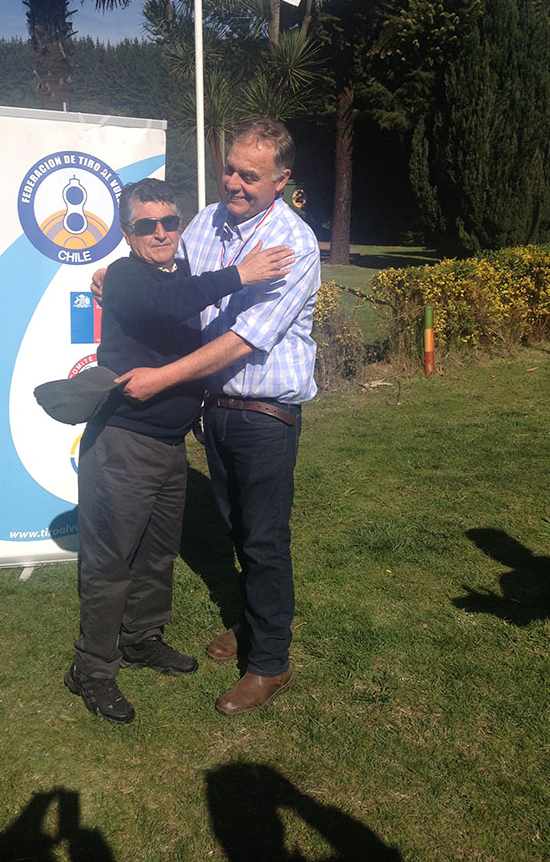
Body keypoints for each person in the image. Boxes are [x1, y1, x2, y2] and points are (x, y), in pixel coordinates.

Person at [101, 119, 321, 716]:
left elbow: (246, 339)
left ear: (280, 180)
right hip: (216, 409)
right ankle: (251, 622)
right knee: (235, 530)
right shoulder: (206, 221)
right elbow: (169, 278)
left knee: (265, 539)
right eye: (229, 169)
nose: (234, 183)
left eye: (250, 175)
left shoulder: (294, 244)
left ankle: (270, 660)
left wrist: (163, 378)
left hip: (265, 414)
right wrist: (116, 280)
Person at [65, 177, 294, 724]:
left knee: (157, 554)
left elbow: (190, 306)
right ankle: (91, 668)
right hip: (123, 444)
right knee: (111, 562)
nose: (162, 233)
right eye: (148, 225)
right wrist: (242, 273)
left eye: (171, 222)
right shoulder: (126, 276)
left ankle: (141, 639)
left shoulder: (176, 276)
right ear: (128, 234)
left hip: (169, 447)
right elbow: (169, 305)